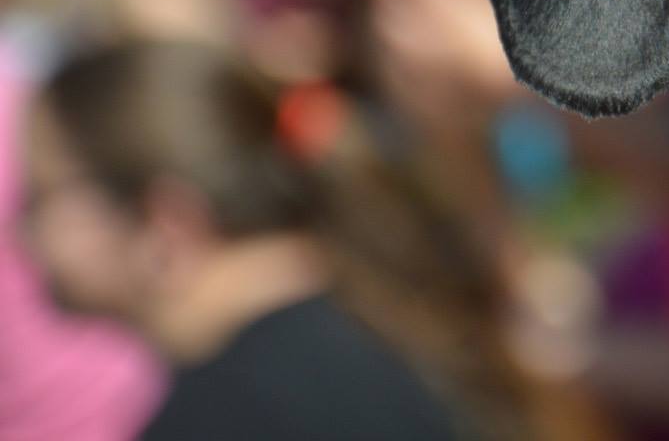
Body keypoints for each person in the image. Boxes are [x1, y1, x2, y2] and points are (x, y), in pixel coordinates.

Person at [20, 41, 543, 440]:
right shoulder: (390, 307)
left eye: (42, 197)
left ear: (167, 225)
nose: (19, 231)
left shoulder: (220, 419)